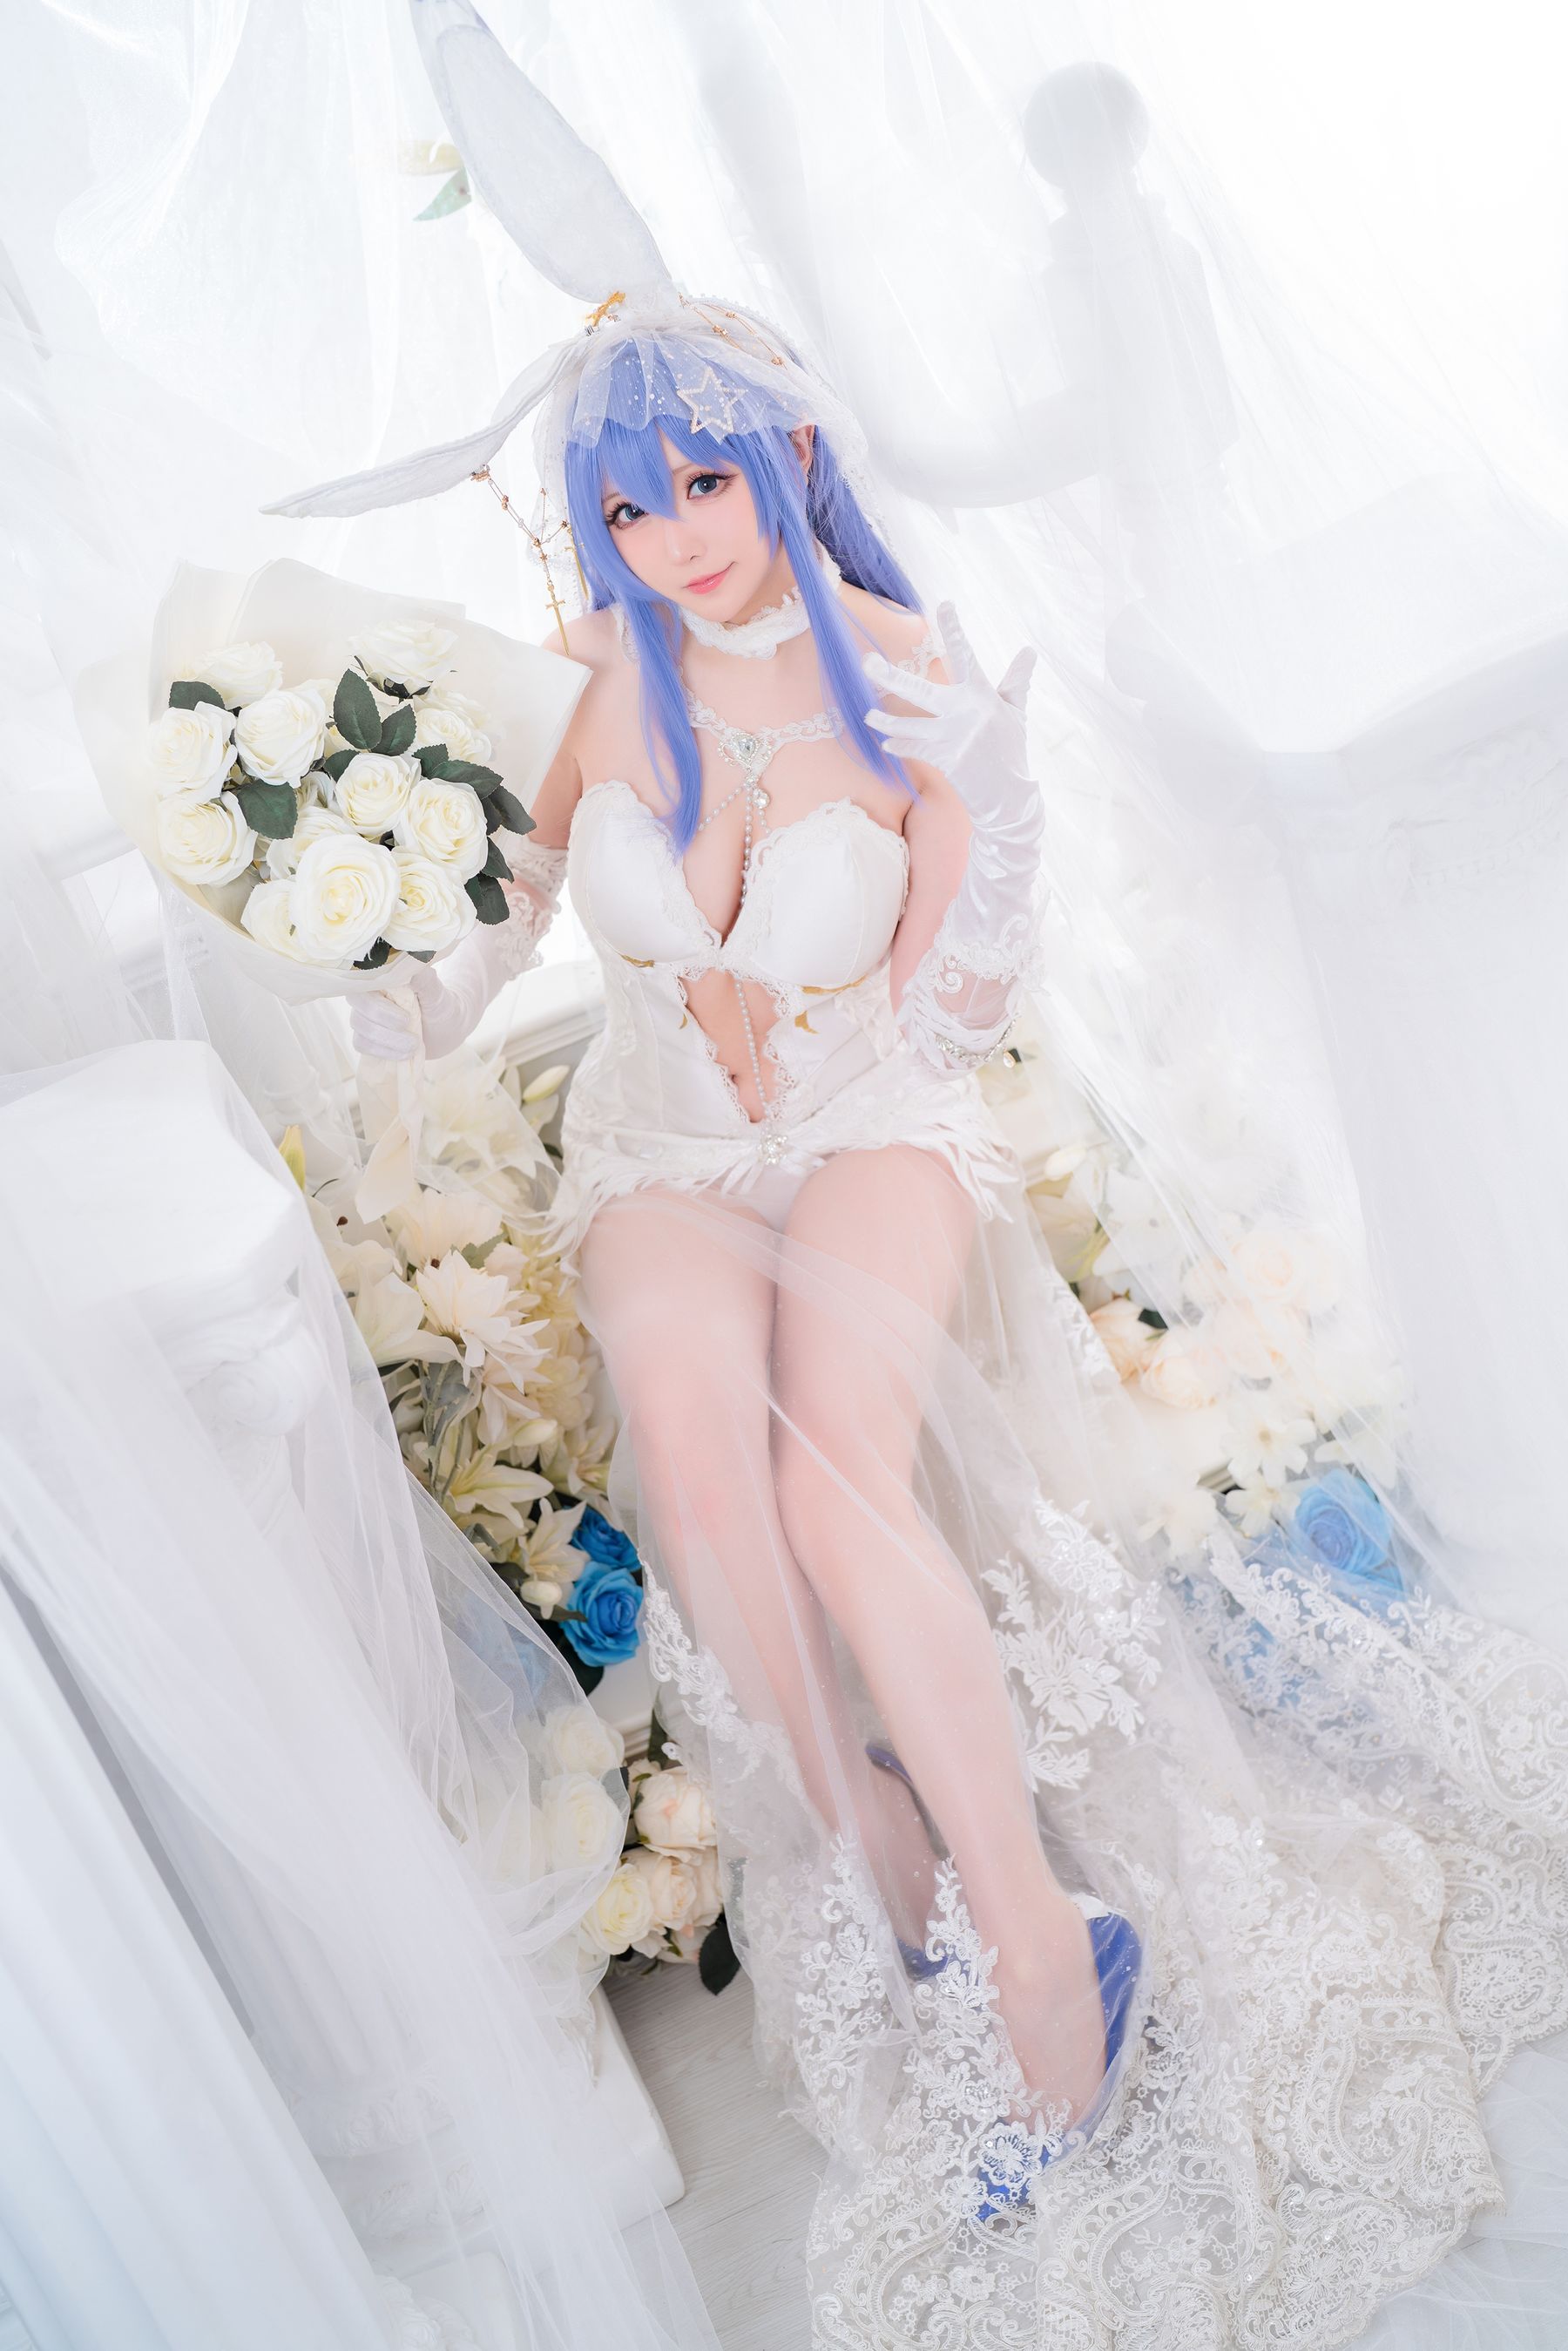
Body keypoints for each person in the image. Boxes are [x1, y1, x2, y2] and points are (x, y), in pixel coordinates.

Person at [348, 300, 1568, 2347]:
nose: (674, 539)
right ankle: (884, 1834)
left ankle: (1038, 1941)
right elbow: (484, 952)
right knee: (700, 1465)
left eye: (707, 481)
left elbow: (953, 1008)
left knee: (836, 1478)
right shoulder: (578, 679)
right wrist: (387, 929)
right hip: (660, 1147)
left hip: (870, 1115)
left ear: (797, 461)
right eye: (628, 508)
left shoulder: (906, 676)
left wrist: (975, 818)